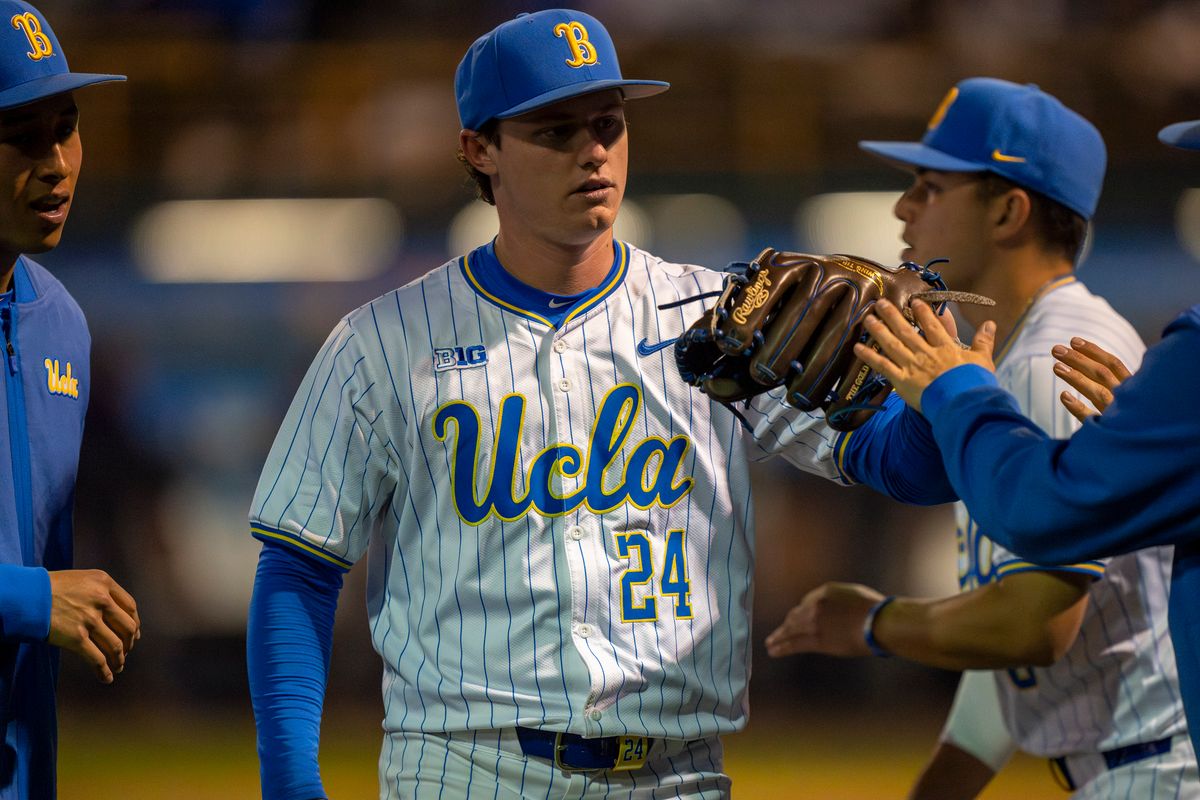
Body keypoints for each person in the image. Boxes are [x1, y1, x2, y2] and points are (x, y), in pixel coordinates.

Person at [245, 9, 960, 799]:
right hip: (464, 769)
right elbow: (299, 569)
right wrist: (290, 786)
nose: (593, 151)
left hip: (679, 775)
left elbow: (912, 471)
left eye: (608, 124)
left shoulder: (723, 321)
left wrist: (939, 388)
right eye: (556, 131)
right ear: (479, 149)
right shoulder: (380, 342)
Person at [763, 77, 1195, 798]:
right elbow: (1028, 660)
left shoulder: (1057, 353)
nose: (904, 208)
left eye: (931, 187)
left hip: (1152, 770)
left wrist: (875, 624)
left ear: (1009, 210)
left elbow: (1034, 625)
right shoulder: (1007, 355)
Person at [0, 2, 141, 797]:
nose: (57, 162)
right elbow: (36, 596)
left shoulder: (62, 326)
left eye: (68, 125)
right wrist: (29, 598)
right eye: (24, 136)